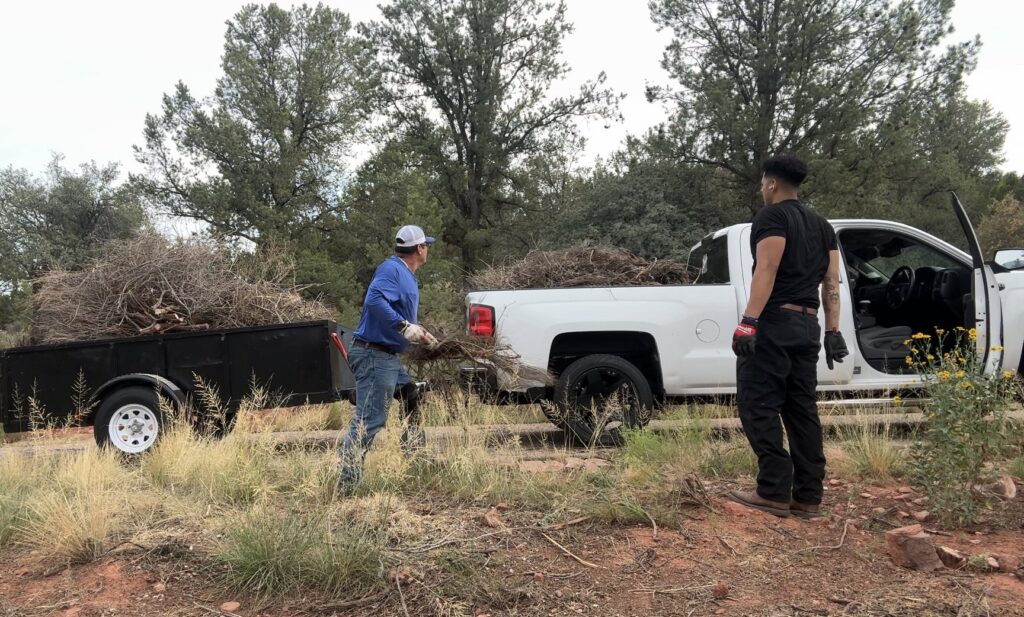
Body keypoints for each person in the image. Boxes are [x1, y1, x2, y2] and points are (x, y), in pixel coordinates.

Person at [727, 154, 849, 519]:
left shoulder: (771, 217)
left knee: (757, 403)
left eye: (763, 182)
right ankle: (809, 496)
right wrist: (833, 331)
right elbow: (831, 284)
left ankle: (773, 490)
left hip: (775, 323)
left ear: (771, 183)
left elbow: (768, 268)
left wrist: (749, 321)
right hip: (808, 325)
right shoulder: (823, 226)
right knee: (801, 409)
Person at [338, 224, 440, 489]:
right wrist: (404, 327)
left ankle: (415, 457)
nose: (427, 249)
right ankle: (347, 484)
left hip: (388, 357)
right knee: (370, 420)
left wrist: (421, 334)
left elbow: (399, 316)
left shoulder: (407, 274)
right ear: (419, 248)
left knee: (410, 394)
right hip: (374, 354)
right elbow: (373, 301)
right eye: (426, 245)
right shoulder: (391, 269)